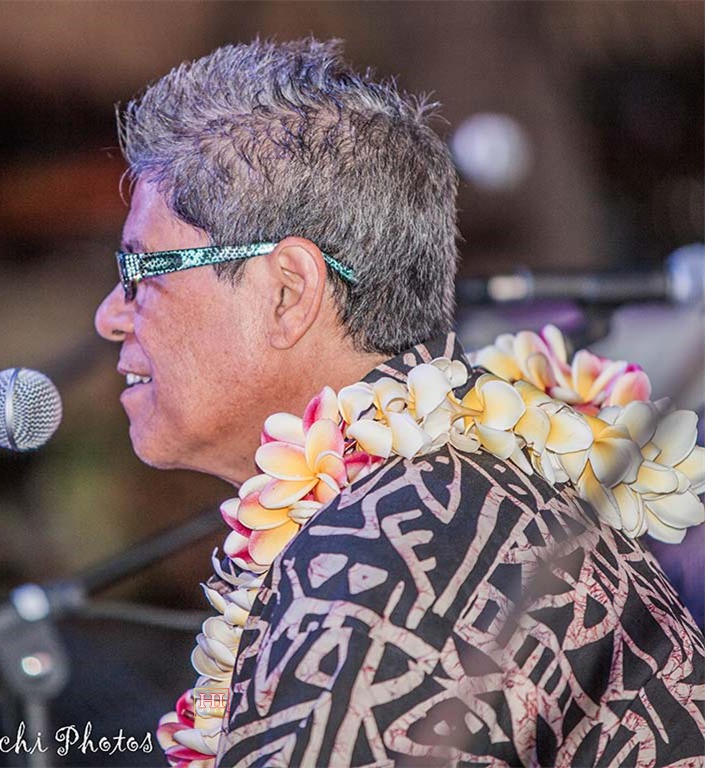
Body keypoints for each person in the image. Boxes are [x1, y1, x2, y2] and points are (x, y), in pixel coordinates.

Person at [94, 38, 704, 767]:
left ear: (288, 292)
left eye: (141, 270)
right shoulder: (446, 498)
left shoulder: (381, 561)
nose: (110, 315)